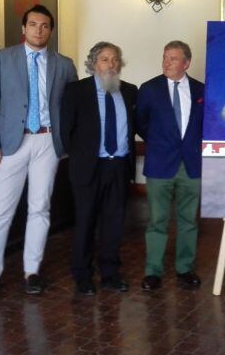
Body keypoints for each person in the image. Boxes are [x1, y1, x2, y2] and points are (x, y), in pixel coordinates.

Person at [0, 4, 77, 304]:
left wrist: (66, 143)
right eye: (33, 24)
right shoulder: (3, 59)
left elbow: (71, 107)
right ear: (23, 28)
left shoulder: (64, 64)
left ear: (51, 30)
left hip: (47, 143)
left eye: (44, 26)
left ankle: (32, 271)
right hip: (11, 145)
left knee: (40, 208)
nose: (39, 30)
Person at [61, 42, 137, 295]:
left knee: (114, 223)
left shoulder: (129, 91)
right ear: (93, 63)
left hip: (119, 167)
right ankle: (82, 276)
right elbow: (66, 132)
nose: (111, 64)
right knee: (85, 221)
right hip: (88, 168)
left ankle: (110, 274)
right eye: (104, 59)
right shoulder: (76, 91)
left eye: (115, 59)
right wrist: (82, 158)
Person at [136, 41, 204, 291]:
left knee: (188, 220)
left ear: (186, 63)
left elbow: (206, 127)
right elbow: (140, 122)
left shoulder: (201, 91)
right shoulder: (149, 89)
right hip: (160, 164)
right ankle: (153, 271)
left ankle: (185, 269)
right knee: (157, 220)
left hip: (191, 165)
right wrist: (158, 143)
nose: (166, 62)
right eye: (165, 57)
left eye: (173, 59)